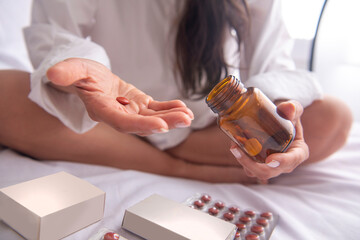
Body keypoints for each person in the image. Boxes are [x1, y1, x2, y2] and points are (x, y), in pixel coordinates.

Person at [0, 0, 353, 183]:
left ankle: (182, 155)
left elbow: (273, 60)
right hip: (110, 117)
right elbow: (52, 31)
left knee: (335, 119)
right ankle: (179, 169)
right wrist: (88, 70)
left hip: (204, 128)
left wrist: (276, 111)